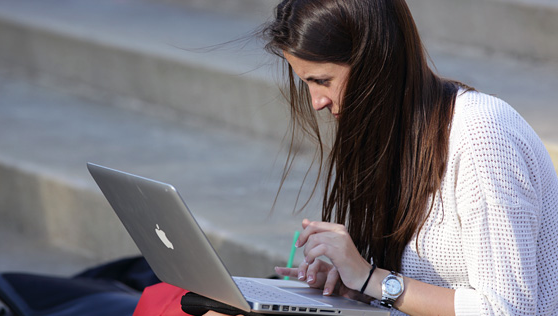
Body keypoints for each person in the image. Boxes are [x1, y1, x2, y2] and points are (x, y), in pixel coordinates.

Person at [239, 0, 558, 315]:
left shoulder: (482, 137)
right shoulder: (394, 133)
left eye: (323, 81)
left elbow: (508, 310)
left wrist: (372, 278)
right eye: (307, 82)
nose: (317, 102)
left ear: (377, 62)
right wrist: (356, 288)